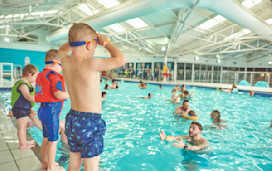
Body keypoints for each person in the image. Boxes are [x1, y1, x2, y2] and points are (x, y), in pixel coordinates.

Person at [59, 23, 126, 171]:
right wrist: (106, 42)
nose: (96, 48)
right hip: (90, 122)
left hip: (72, 119)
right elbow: (121, 59)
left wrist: (75, 39)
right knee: (91, 167)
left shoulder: (65, 61)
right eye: (95, 45)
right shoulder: (91, 63)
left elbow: (63, 49)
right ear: (89, 45)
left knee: (74, 162)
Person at [35, 49, 70, 171]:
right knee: (53, 141)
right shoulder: (54, 76)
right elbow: (58, 95)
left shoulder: (40, 75)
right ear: (55, 63)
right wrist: (72, 93)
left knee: (45, 139)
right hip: (51, 112)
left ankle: (45, 163)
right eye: (61, 66)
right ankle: (50, 167)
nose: (62, 69)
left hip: (42, 110)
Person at [10, 64, 39, 149]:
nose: (36, 79)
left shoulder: (26, 84)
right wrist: (40, 100)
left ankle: (24, 141)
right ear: (30, 75)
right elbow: (27, 96)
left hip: (23, 109)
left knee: (24, 125)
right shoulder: (22, 85)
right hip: (20, 109)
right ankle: (22, 144)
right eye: (35, 76)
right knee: (22, 127)